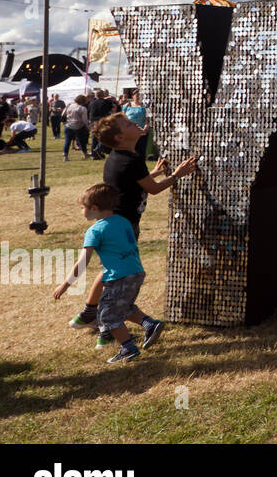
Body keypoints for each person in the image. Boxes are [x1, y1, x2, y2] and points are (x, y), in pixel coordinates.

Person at [66, 113, 197, 342]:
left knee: (111, 270)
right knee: (116, 274)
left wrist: (152, 173)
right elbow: (153, 189)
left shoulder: (120, 157)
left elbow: (132, 184)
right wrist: (177, 175)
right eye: (128, 124)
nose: (134, 123)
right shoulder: (132, 160)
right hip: (123, 226)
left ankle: (93, 316)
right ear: (119, 137)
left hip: (114, 223)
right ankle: (100, 320)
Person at [54, 183, 167, 364]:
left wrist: (65, 284)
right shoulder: (123, 221)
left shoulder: (95, 230)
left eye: (82, 208)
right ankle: (149, 324)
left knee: (107, 315)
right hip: (136, 272)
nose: (81, 211)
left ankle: (128, 349)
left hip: (118, 277)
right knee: (123, 306)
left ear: (94, 208)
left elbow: (83, 262)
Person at [62, 93, 91, 160]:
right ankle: (85, 154)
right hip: (78, 126)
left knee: (67, 141)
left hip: (68, 125)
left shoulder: (70, 105)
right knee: (82, 141)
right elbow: (84, 120)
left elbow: (63, 114)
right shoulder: (83, 108)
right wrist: (88, 127)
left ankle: (65, 156)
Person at [122, 92, 149, 159]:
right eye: (137, 95)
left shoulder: (145, 106)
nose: (139, 97)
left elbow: (147, 118)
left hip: (141, 130)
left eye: (140, 96)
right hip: (129, 130)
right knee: (130, 148)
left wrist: (146, 127)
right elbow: (122, 117)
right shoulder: (127, 105)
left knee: (140, 149)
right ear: (133, 96)